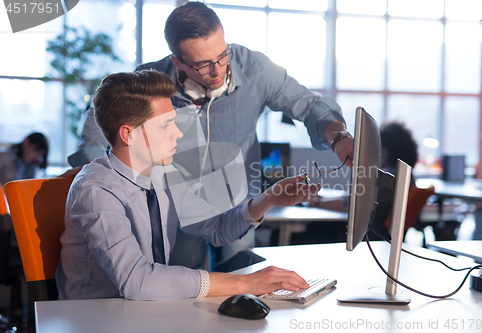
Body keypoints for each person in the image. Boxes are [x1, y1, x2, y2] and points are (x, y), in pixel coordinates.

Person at [68, 1, 354, 271]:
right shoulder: (151, 85)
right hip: (174, 204)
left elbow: (309, 104)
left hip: (238, 203)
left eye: (222, 55)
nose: (218, 70)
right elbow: (97, 131)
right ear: (178, 63)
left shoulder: (256, 69)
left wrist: (339, 137)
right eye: (204, 64)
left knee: (240, 283)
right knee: (180, 290)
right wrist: (106, 188)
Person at [55, 69, 320, 300]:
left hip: (149, 312)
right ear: (128, 134)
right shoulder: (96, 190)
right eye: (166, 125)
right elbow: (138, 281)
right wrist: (246, 283)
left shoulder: (164, 173)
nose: (178, 133)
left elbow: (216, 229)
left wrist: (269, 199)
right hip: (95, 319)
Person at [309, 121, 419, 241]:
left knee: (311, 230)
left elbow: (353, 203)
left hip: (369, 237)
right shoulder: (403, 175)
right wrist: (320, 199)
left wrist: (317, 203)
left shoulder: (390, 179)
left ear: (387, 151)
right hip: (371, 234)